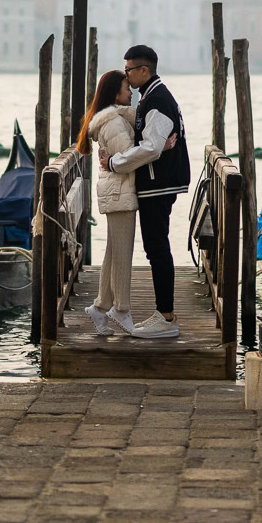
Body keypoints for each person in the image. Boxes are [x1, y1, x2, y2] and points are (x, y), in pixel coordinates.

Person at [101, 44, 185, 339]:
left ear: (143, 70)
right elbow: (153, 142)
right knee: (155, 247)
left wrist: (114, 162)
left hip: (158, 185)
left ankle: (166, 317)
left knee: (157, 248)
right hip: (156, 183)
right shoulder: (151, 98)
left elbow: (150, 147)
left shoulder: (158, 100)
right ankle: (165, 314)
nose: (126, 75)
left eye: (128, 70)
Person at [77, 69, 148, 337]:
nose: (131, 92)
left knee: (112, 250)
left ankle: (100, 306)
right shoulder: (114, 124)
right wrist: (160, 148)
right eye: (126, 88)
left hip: (116, 191)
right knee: (122, 253)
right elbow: (130, 157)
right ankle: (122, 308)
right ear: (115, 93)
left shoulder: (114, 120)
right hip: (119, 193)